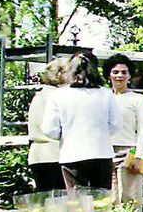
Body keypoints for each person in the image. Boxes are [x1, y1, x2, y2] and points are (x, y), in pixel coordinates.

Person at [43, 52, 121, 190]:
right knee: (101, 202)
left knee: (77, 203)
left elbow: (49, 129)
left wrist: (66, 135)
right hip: (101, 153)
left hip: (72, 154)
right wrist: (100, 134)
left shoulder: (58, 95)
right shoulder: (106, 94)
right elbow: (115, 124)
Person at [104, 53, 143, 205]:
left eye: (124, 72)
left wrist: (139, 157)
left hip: (129, 152)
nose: (120, 76)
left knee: (131, 199)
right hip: (105, 153)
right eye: (115, 72)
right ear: (109, 75)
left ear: (130, 75)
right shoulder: (103, 98)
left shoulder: (138, 99)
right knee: (111, 200)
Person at [26, 55, 71, 192]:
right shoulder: (61, 97)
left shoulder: (38, 96)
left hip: (37, 155)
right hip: (57, 154)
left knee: (45, 200)